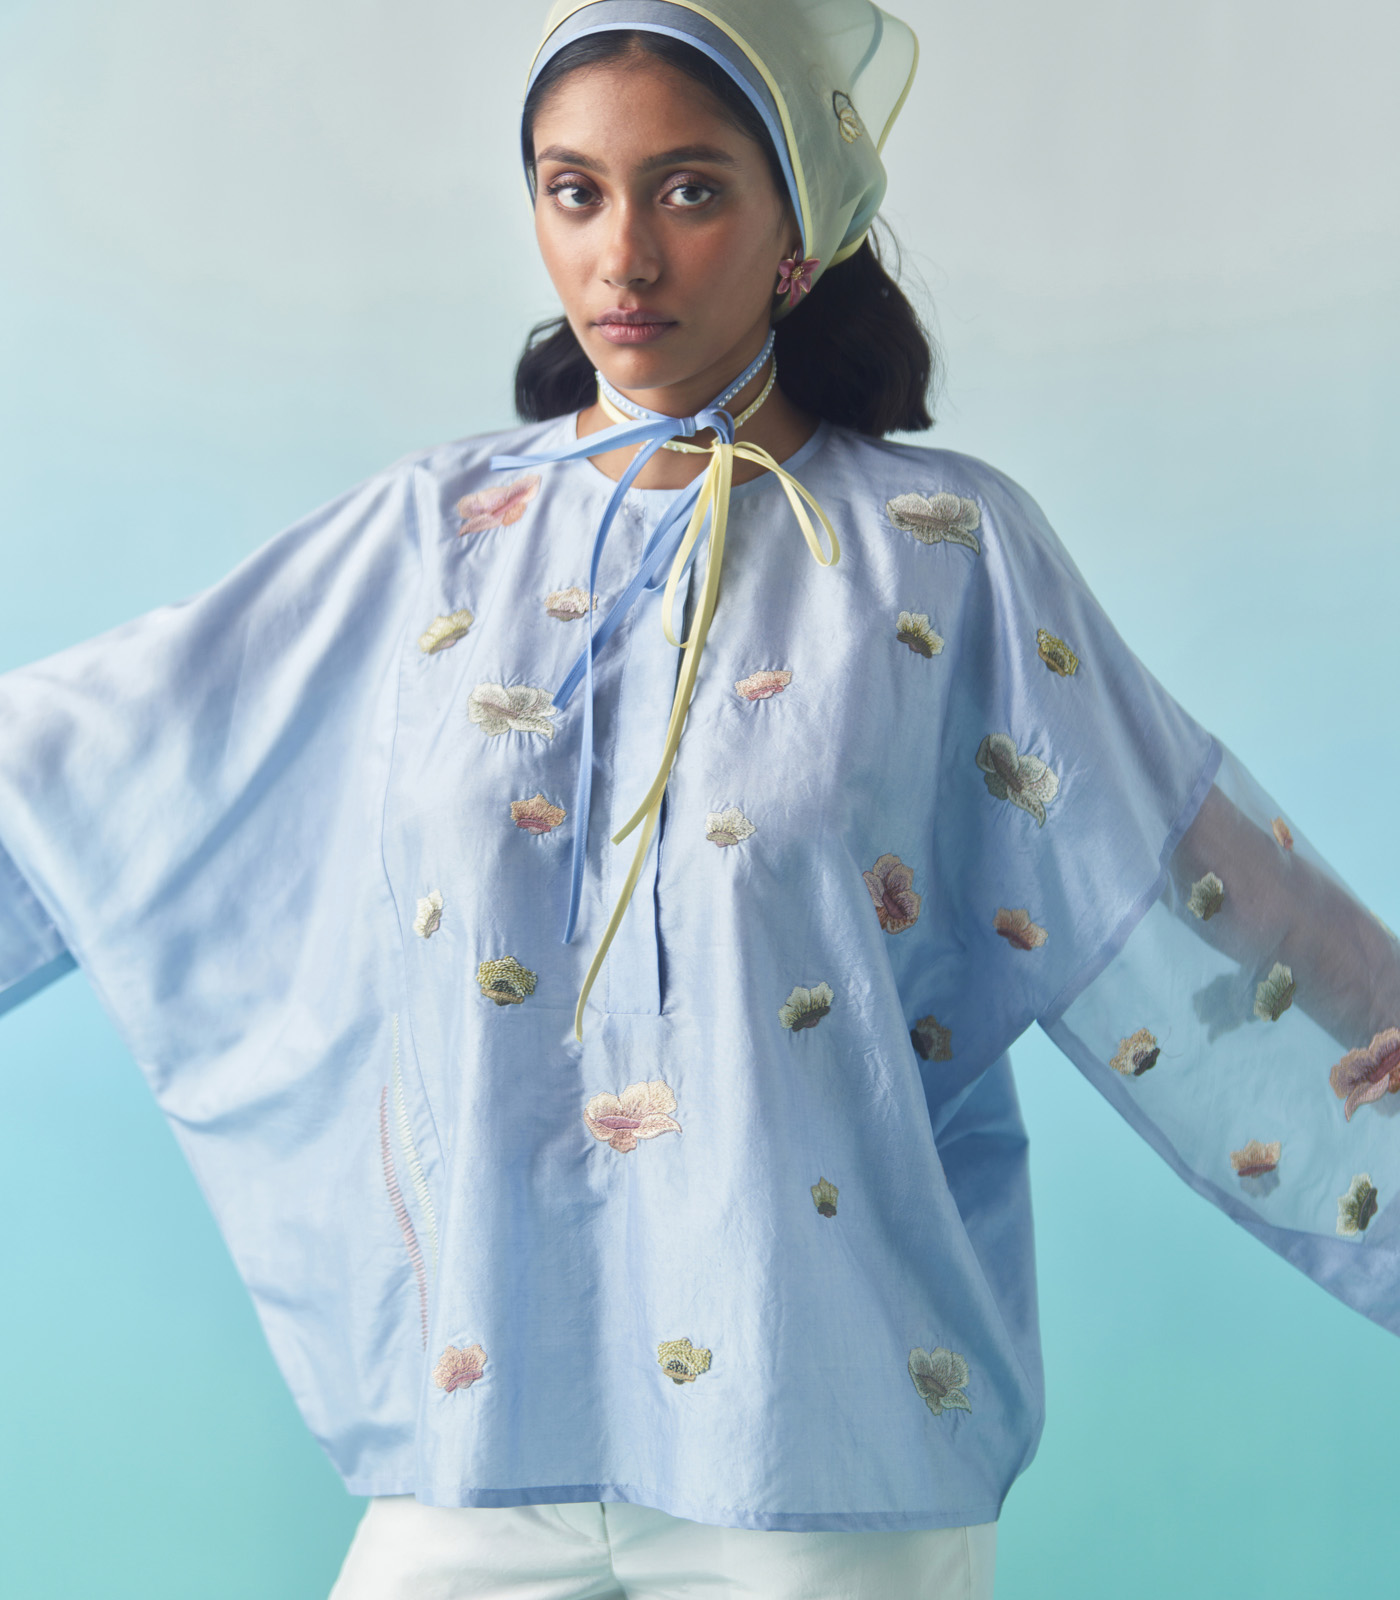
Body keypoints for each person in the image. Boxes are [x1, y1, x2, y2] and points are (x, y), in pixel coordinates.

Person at [0, 2, 1395, 1596]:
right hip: (496, 1409)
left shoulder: (938, 554)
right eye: (574, 191)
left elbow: (1174, 867)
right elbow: (100, 760)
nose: (623, 257)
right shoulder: (435, 539)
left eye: (689, 189)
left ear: (801, 224)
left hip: (825, 1430)